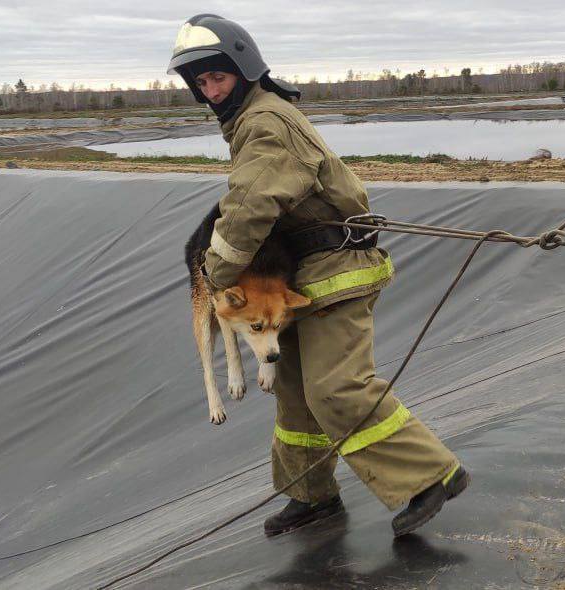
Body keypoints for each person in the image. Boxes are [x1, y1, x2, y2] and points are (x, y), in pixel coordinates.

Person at [168, 14, 468, 538]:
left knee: (334, 388)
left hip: (335, 271)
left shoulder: (265, 123)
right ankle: (311, 496)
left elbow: (249, 206)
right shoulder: (248, 121)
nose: (211, 90)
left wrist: (215, 273)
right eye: (202, 83)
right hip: (301, 274)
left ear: (243, 68)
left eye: (218, 77)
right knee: (293, 392)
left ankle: (430, 476)